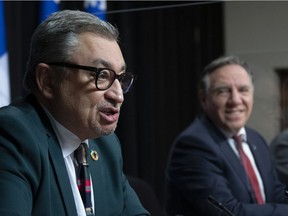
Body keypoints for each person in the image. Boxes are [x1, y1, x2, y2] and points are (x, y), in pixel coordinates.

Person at [0, 10, 150, 216]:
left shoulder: (106, 145)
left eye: (121, 79)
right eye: (102, 75)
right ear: (48, 80)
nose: (118, 96)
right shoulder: (13, 135)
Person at [165, 55, 288, 216]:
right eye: (223, 91)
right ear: (204, 99)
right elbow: (228, 212)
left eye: (243, 90)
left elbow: (275, 192)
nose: (235, 100)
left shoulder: (255, 138)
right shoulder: (193, 145)